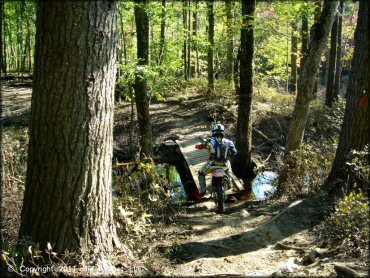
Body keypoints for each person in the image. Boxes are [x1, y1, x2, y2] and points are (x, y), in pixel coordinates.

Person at [195, 124, 237, 197]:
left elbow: (202, 146)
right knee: (229, 169)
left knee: (201, 173)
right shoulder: (229, 142)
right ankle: (230, 184)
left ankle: (203, 191)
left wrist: (197, 146)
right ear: (223, 132)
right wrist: (230, 155)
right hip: (224, 163)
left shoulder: (210, 141)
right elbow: (234, 152)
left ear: (213, 132)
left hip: (212, 163)